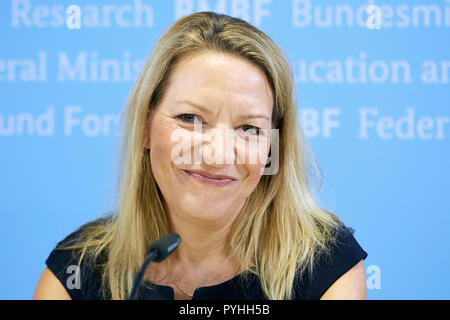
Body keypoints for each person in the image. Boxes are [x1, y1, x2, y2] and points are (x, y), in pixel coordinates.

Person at [33, 11, 367, 300]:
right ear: (146, 127)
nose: (218, 154)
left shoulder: (325, 264)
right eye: (190, 119)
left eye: (249, 128)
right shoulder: (77, 269)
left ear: (271, 148)